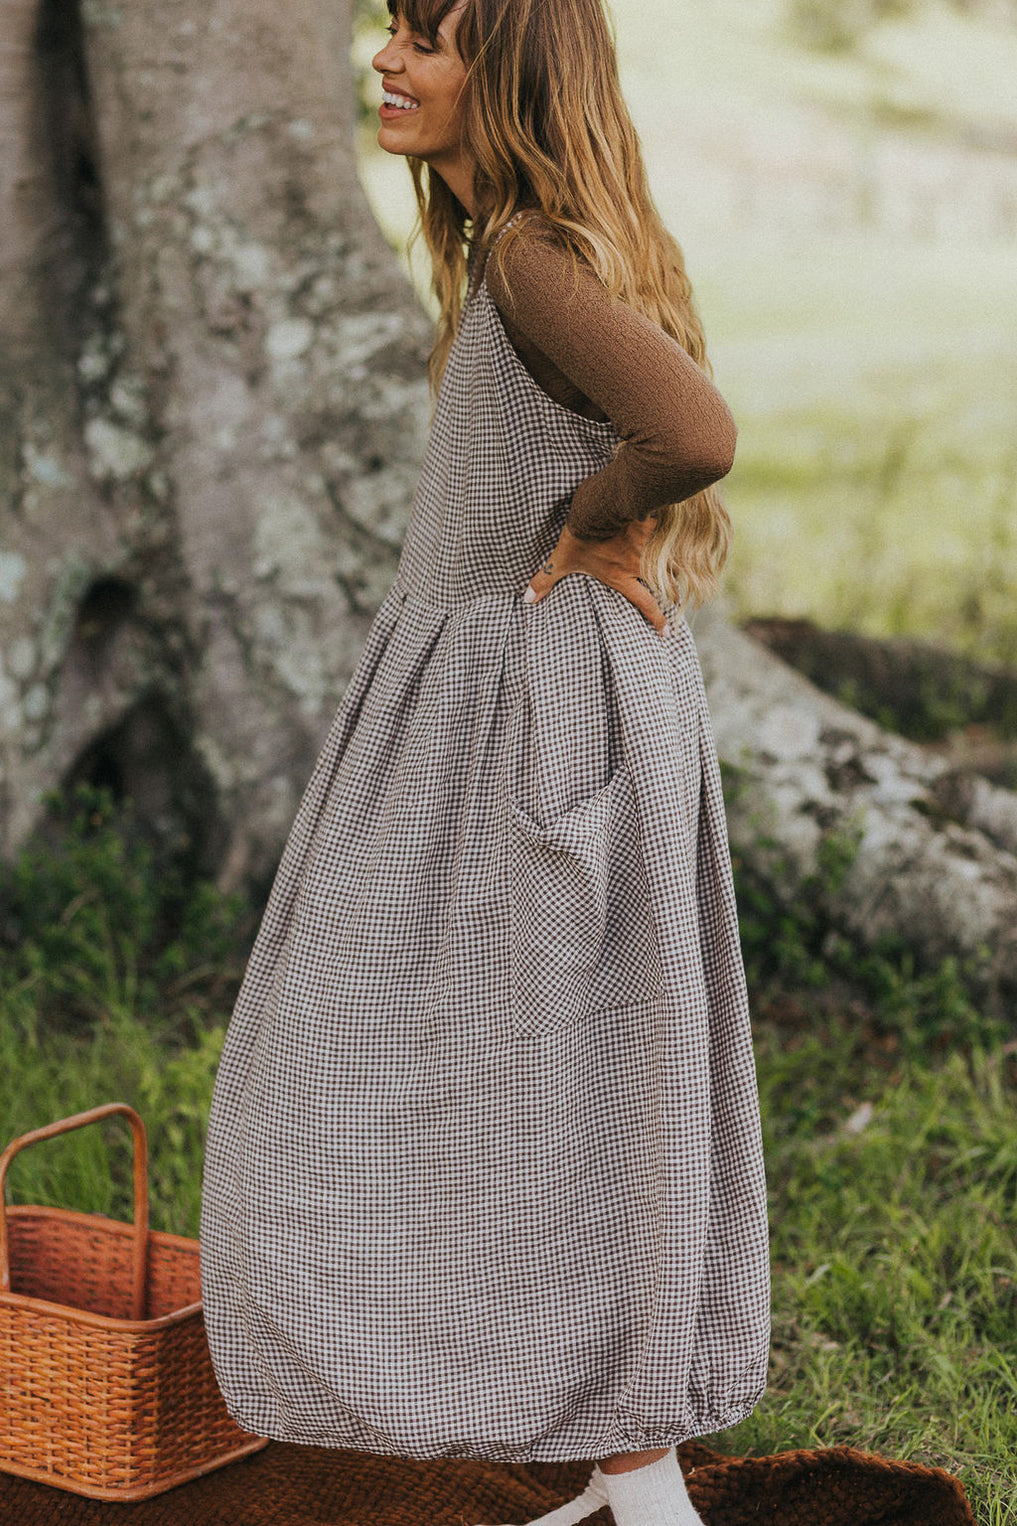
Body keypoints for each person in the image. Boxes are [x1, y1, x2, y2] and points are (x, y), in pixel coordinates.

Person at [199, 0, 771, 1522]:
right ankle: (625, 1462)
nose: (387, 57)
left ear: (508, 76)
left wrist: (590, 525)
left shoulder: (528, 255)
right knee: (571, 1074)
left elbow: (692, 426)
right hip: (534, 702)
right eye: (388, 27)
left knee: (368, 1067)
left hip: (527, 720)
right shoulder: (513, 250)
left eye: (429, 37)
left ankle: (644, 1489)